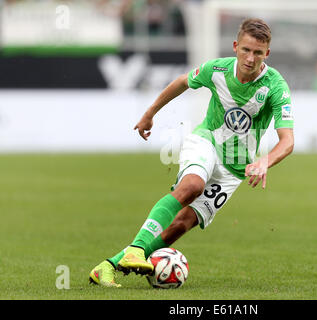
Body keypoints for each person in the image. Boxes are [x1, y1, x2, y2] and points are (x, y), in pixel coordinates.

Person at [89, 18, 295, 287]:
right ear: (235, 46)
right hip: (206, 141)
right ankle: (137, 249)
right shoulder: (217, 69)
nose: (250, 58)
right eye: (246, 50)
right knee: (193, 186)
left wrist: (264, 161)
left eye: (258, 52)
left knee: (180, 225)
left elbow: (287, 140)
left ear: (266, 53)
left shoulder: (275, 86)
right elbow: (182, 82)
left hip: (234, 170)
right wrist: (150, 114)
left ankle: (108, 266)